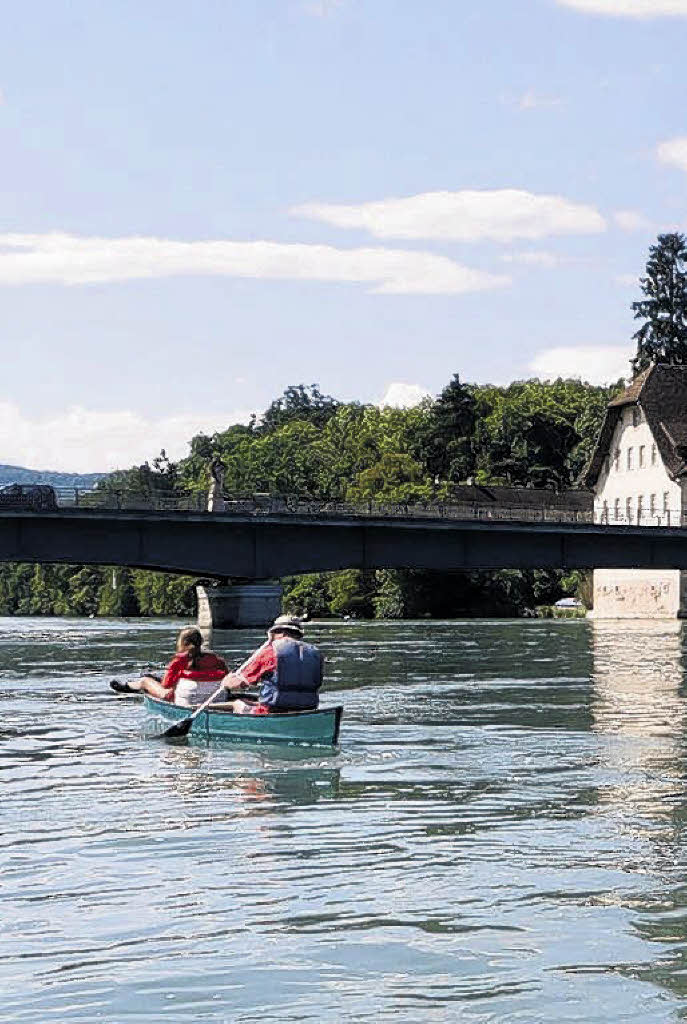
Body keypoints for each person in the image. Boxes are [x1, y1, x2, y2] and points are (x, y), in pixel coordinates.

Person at [223, 615, 323, 715]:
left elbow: (240, 684)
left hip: (274, 709)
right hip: (309, 708)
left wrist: (227, 682)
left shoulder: (270, 651)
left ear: (279, 633)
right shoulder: (316, 653)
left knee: (237, 704)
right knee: (253, 701)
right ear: (298, 634)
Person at [109, 627, 228, 706]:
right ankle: (148, 680)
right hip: (216, 698)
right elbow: (227, 678)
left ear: (182, 643)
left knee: (145, 681)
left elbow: (166, 685)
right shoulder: (215, 659)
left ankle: (128, 686)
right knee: (157, 679)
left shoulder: (179, 660)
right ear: (201, 641)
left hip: (182, 697)